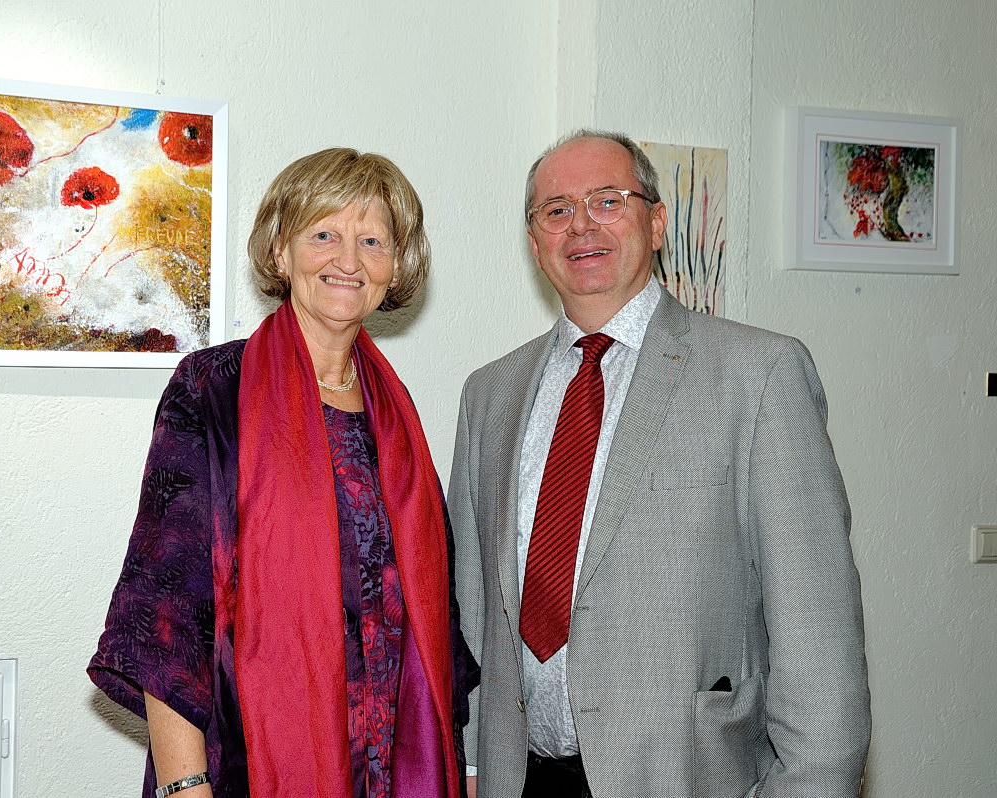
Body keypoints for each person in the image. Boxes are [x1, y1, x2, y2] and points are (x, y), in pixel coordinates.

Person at [449, 130, 870, 798]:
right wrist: (469, 765)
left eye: (607, 201)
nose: (581, 225)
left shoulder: (758, 374)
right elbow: (471, 607)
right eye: (556, 210)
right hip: (520, 778)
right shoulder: (490, 394)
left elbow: (816, 627)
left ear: (656, 222)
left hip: (686, 776)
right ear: (534, 241)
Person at [90, 147, 476, 798]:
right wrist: (186, 786)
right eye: (323, 234)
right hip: (247, 763)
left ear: (396, 266)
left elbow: (437, 620)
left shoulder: (395, 413)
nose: (348, 260)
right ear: (279, 251)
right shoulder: (213, 389)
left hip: (393, 766)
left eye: (372, 241)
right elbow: (166, 609)